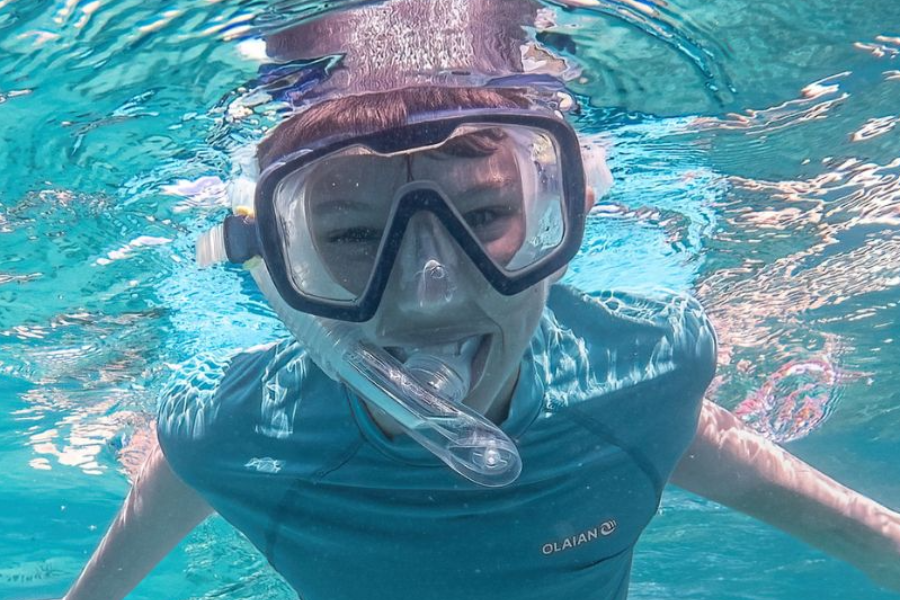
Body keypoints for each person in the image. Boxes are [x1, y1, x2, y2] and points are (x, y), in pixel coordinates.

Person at [60, 1, 900, 599]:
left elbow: (866, 540)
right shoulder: (234, 432)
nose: (430, 285)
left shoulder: (649, 370)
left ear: (563, 214)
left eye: (487, 215)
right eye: (353, 237)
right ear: (276, 263)